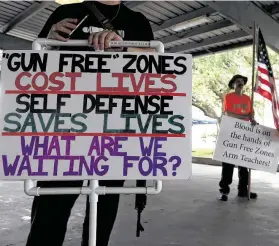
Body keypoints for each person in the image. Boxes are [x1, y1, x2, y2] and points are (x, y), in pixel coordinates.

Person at [25, 1, 154, 246]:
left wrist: (123, 46)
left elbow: (155, 63)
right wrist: (50, 40)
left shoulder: (137, 21)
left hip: (116, 130)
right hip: (65, 128)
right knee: (50, 209)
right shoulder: (66, 13)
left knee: (104, 212)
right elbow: (36, 62)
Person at [219, 74, 258, 202]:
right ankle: (224, 190)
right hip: (231, 133)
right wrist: (244, 117)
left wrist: (252, 120)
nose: (241, 83)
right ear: (233, 84)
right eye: (238, 81)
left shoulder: (248, 99)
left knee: (244, 163)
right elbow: (228, 114)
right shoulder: (228, 97)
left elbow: (250, 115)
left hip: (244, 135)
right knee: (228, 163)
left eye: (242, 81)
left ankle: (243, 190)